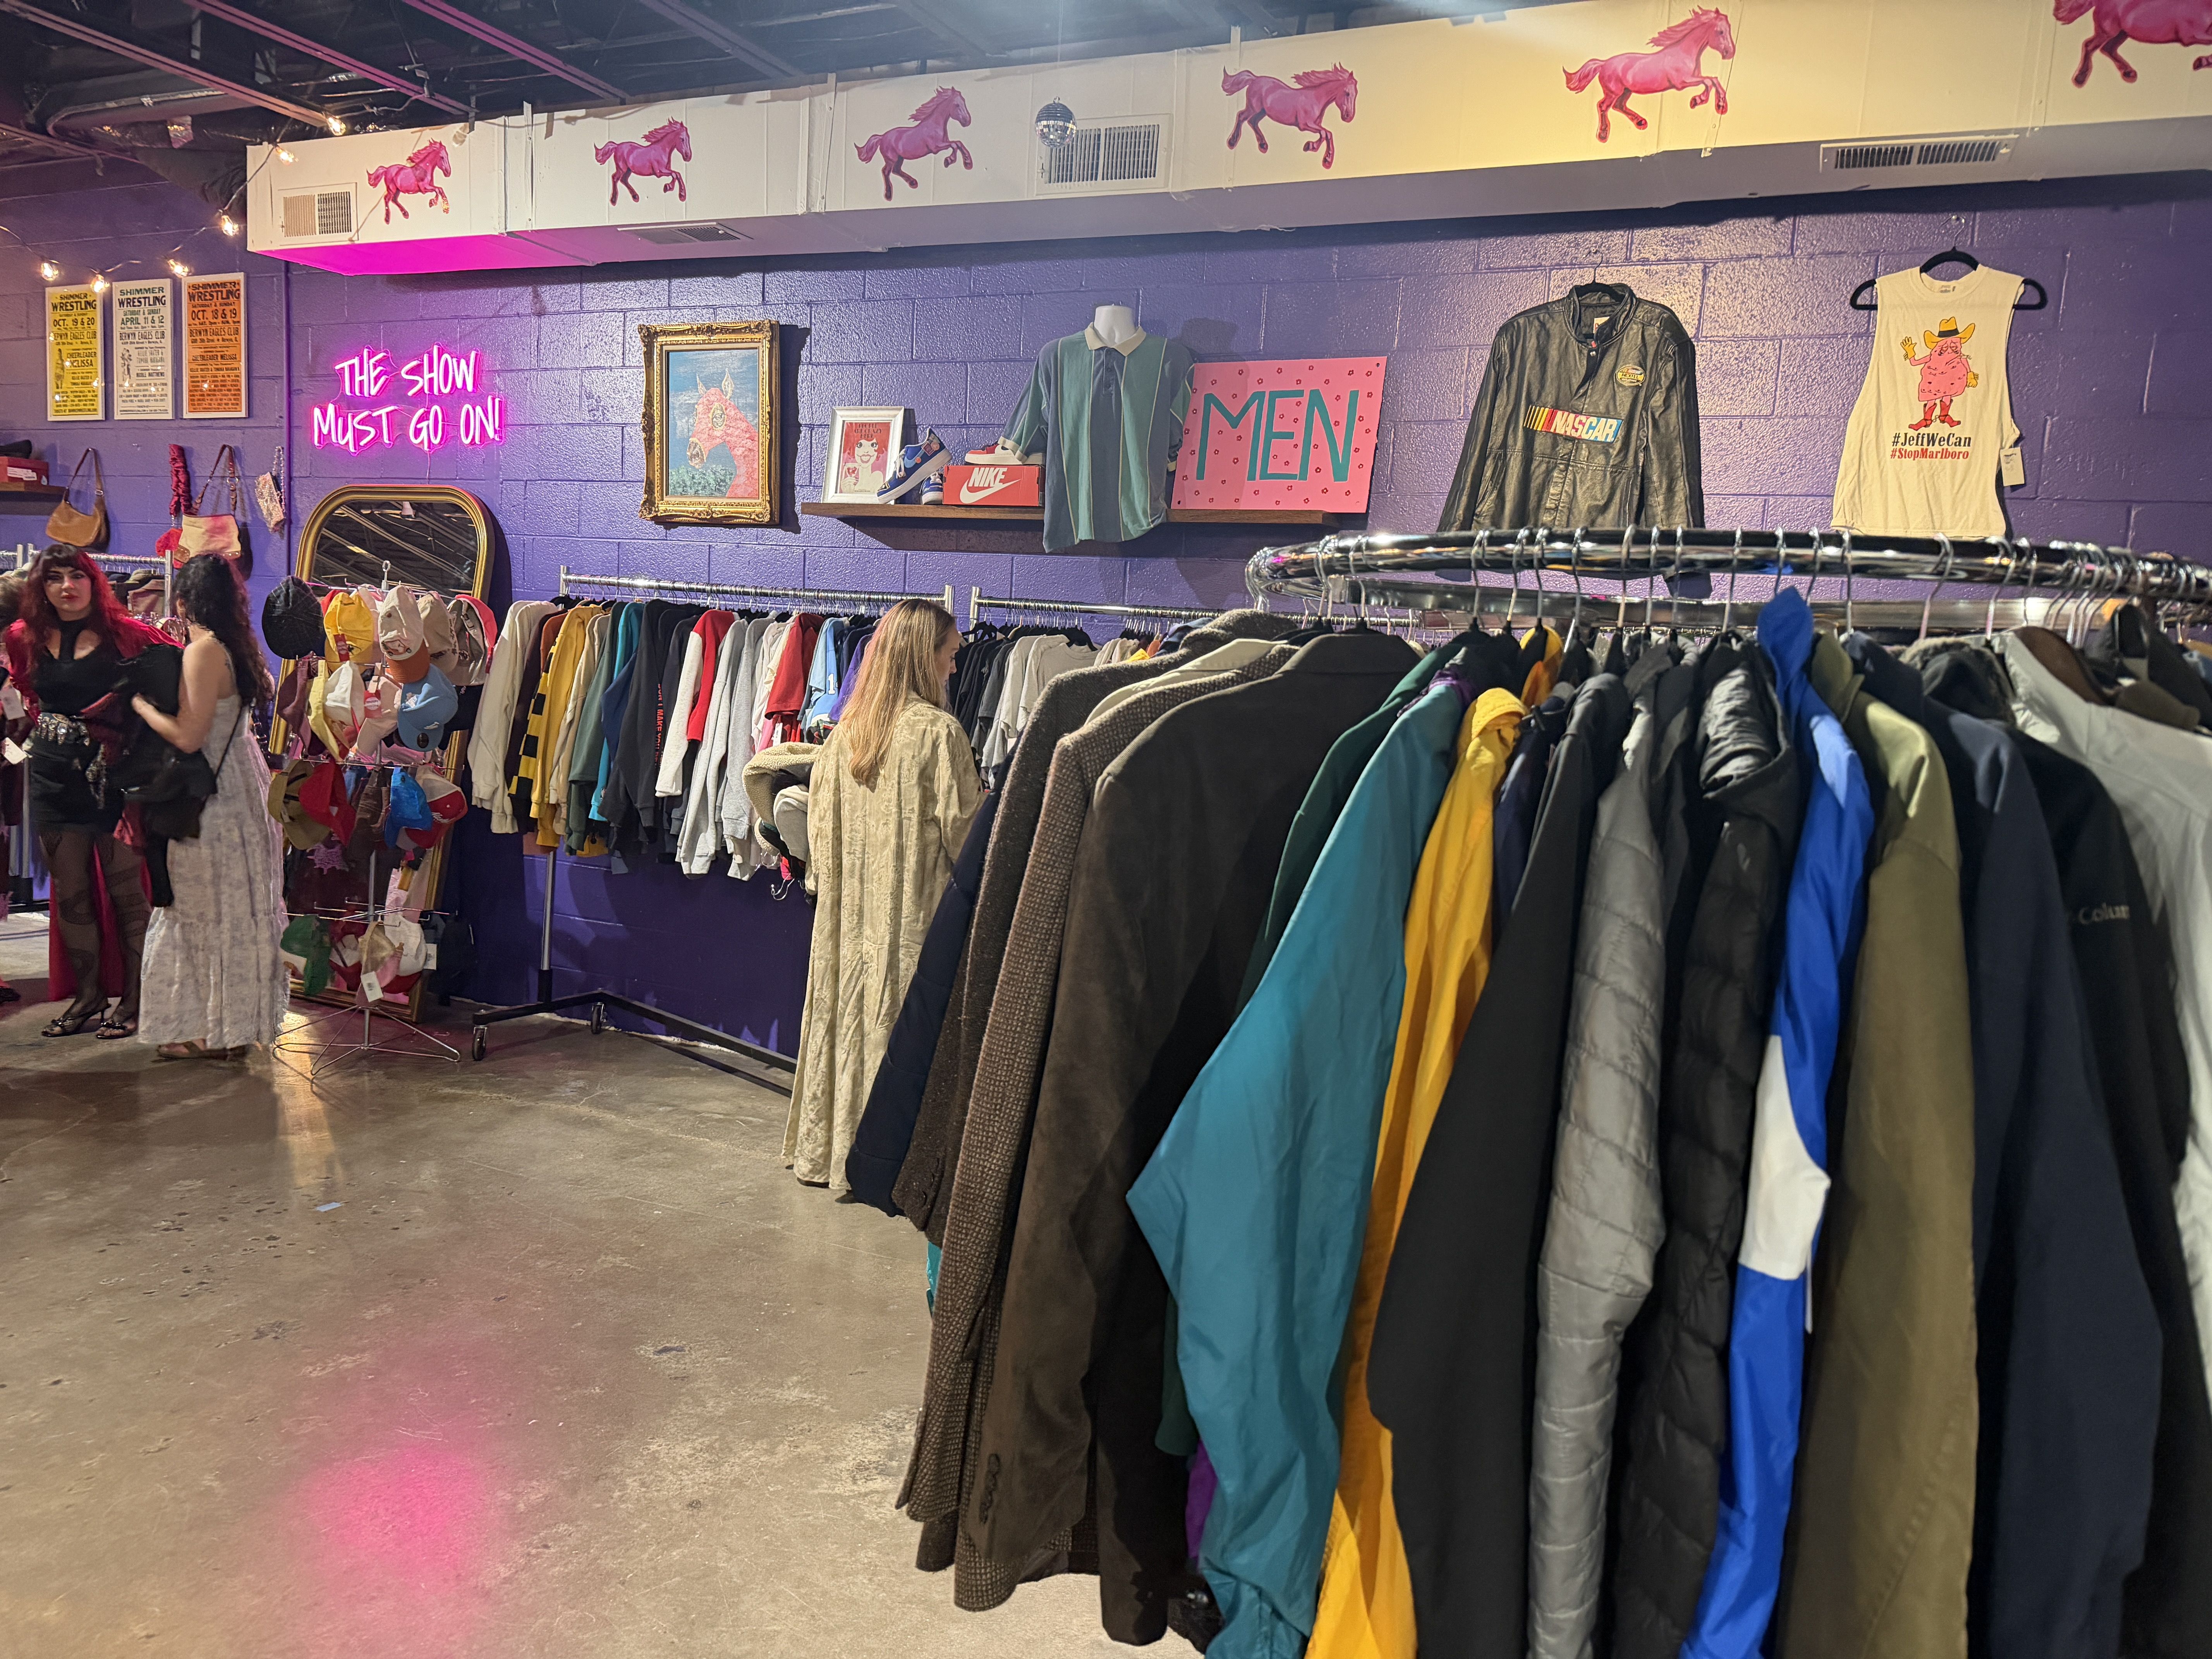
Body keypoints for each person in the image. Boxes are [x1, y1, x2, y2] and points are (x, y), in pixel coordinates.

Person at [785, 599, 979, 1192]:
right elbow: (966, 838)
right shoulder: (939, 734)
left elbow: (816, 837)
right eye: (949, 656)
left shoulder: (847, 733)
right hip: (909, 922)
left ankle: (828, 1155)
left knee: (839, 1023)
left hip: (843, 925)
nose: (953, 669)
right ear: (925, 657)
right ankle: (886, 1171)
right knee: (899, 1032)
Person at [1, 546, 165, 1037]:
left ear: (95, 582)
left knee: (126, 895)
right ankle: (89, 995)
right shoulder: (21, 637)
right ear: (41, 587)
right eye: (55, 579)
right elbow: (28, 692)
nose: (67, 587)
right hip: (53, 777)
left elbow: (171, 678)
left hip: (115, 778)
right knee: (70, 895)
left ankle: (135, 999)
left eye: (77, 576)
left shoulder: (128, 635)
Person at [128, 555, 287, 1060]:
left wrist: (143, 709)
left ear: (182, 601)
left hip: (209, 802)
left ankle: (198, 1030)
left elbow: (190, 736)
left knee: (195, 907)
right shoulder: (242, 650)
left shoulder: (202, 653)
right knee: (237, 909)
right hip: (246, 786)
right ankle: (234, 1027)